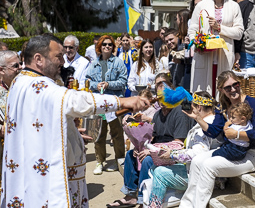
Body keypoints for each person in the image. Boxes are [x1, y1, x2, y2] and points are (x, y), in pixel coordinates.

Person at [0, 34, 149, 207]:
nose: (62, 62)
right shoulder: (38, 85)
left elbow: (36, 120)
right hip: (43, 177)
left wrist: (65, 128)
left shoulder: (21, 81)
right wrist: (122, 101)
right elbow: (74, 100)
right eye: (57, 56)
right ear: (39, 59)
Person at [179, 70, 255, 208]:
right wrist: (199, 119)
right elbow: (213, 132)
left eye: (235, 84)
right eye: (228, 87)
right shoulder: (223, 106)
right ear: (221, 90)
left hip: (252, 154)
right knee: (196, 161)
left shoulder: (251, 103)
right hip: (229, 151)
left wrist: (236, 135)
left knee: (208, 166)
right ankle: (186, 205)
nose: (233, 89)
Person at [108, 73, 193, 207]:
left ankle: (143, 199)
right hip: (156, 146)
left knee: (148, 159)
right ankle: (130, 195)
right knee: (131, 154)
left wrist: (151, 151)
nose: (160, 98)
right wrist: (139, 147)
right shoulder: (158, 114)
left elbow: (179, 143)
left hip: (172, 152)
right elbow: (152, 137)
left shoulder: (179, 112)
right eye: (158, 95)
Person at [147, 91, 221, 208]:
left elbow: (199, 153)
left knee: (160, 173)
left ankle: (154, 206)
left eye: (191, 106)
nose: (189, 108)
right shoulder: (215, 121)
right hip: (208, 172)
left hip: (201, 176)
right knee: (155, 167)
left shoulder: (203, 126)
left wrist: (172, 154)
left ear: (199, 107)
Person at [189, 0, 244, 95]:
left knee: (223, 92)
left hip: (224, 55)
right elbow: (192, 30)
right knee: (203, 93)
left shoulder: (234, 6)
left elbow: (239, 32)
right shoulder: (201, 5)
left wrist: (220, 28)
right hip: (205, 55)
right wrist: (196, 44)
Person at [86, 35, 128, 175]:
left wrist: (109, 84)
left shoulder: (118, 62)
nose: (107, 47)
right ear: (100, 46)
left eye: (110, 44)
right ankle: (100, 161)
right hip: (99, 102)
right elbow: (87, 81)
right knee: (98, 134)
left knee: (117, 133)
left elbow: (123, 82)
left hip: (114, 102)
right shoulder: (93, 64)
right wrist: (95, 85)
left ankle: (119, 159)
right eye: (104, 44)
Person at [0, 50, 22, 181]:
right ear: (1, 70)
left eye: (20, 64)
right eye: (15, 66)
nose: (20, 68)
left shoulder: (20, 86)